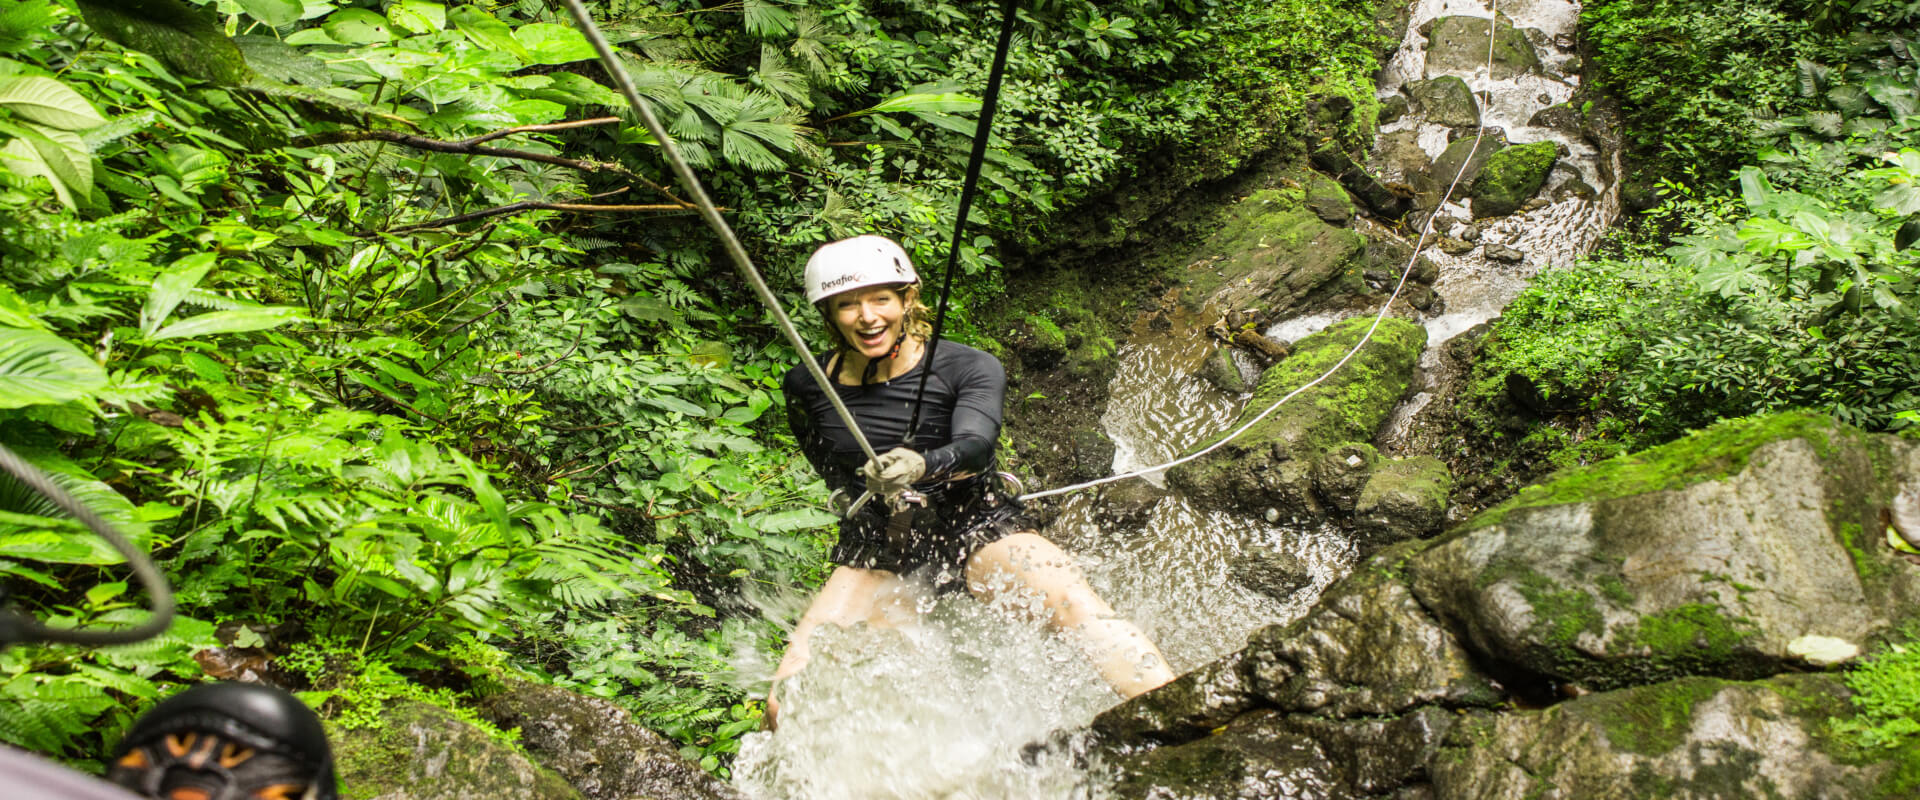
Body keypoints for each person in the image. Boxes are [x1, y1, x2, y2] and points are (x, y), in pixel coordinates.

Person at [767, 234, 1174, 728]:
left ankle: (1179, 715)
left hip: (977, 524)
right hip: (881, 544)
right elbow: (826, 463)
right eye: (848, 305)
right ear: (829, 314)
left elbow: (977, 446)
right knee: (789, 698)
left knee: (1076, 607)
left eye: (880, 299)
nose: (868, 316)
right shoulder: (807, 384)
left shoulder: (966, 367)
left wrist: (920, 465)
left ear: (907, 299)